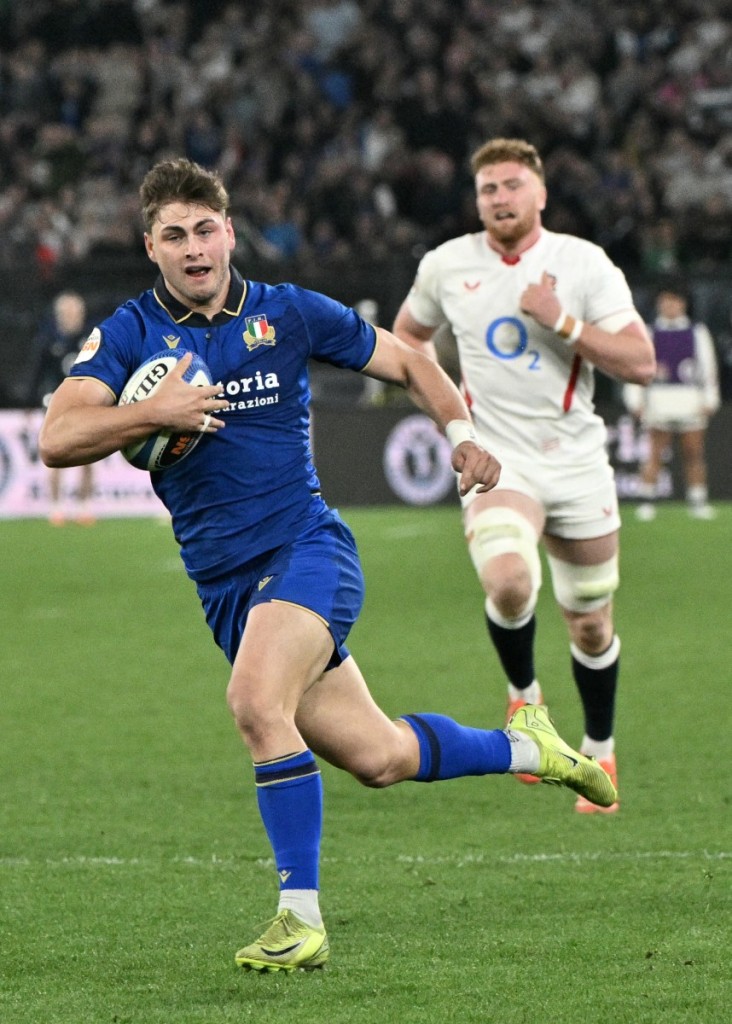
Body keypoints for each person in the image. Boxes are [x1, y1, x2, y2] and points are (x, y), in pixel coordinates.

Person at [38, 157, 616, 973]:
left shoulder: (288, 314)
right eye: (176, 235)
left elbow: (412, 362)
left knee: (253, 701)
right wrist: (150, 412)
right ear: (152, 247)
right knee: (379, 757)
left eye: (207, 229)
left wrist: (462, 437)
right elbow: (57, 437)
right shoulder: (131, 332)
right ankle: (533, 746)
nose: (195, 247)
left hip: (307, 552)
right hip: (227, 589)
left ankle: (299, 920)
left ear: (231, 233)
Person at [393, 138, 656, 816]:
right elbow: (407, 344)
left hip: (575, 462)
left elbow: (640, 360)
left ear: (540, 194)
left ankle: (599, 749)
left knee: (592, 626)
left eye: (512, 185)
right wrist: (454, 416)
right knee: (508, 581)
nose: (500, 199)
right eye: (488, 190)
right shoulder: (447, 265)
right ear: (476, 199)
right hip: (499, 458)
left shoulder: (581, 263)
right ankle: (527, 701)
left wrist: (563, 321)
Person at [623, 281, 720, 521]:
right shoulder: (649, 331)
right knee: (655, 453)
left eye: (675, 300)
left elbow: (708, 368)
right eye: (665, 300)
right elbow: (637, 366)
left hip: (690, 401)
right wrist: (635, 400)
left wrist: (710, 398)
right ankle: (647, 501)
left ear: (683, 304)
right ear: (659, 303)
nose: (670, 305)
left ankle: (697, 500)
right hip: (659, 401)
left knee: (694, 452)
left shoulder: (697, 331)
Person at [28, 290, 96, 525]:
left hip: (85, 405)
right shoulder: (48, 341)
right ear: (58, 315)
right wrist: (30, 403)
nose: (72, 316)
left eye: (76, 311)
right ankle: (56, 506)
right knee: (57, 455)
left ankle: (85, 506)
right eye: (67, 312)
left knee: (88, 457)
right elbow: (37, 374)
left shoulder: (91, 339)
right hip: (56, 406)